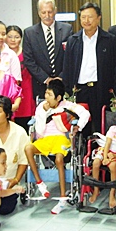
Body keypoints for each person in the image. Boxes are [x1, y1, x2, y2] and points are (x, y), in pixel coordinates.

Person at [24, 80, 90, 214]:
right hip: (46, 138)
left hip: (61, 138)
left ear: (58, 97)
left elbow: (85, 114)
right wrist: (44, 112)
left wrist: (79, 126)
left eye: (49, 94)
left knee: (59, 160)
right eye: (46, 93)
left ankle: (62, 198)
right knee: (28, 148)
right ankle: (39, 183)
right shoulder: (42, 106)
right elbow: (40, 130)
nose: (46, 97)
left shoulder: (69, 105)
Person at [62, 2, 116, 134]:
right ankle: (84, 153)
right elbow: (67, 68)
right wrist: (68, 92)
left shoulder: (109, 40)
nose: (86, 21)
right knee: (81, 126)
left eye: (90, 17)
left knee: (101, 126)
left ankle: (99, 153)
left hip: (101, 89)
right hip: (80, 90)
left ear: (99, 17)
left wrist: (115, 92)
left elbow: (115, 68)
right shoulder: (73, 40)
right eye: (83, 17)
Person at [23, 0, 73, 99]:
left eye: (50, 12)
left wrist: (61, 77)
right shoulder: (29, 33)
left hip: (63, 85)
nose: (47, 15)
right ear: (38, 13)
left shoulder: (66, 29)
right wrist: (46, 79)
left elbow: (71, 56)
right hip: (41, 86)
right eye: (43, 12)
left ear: (55, 11)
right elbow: (29, 60)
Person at [6, 25, 35, 131]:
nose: (13, 40)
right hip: (8, 92)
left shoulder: (27, 53)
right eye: (10, 36)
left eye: (17, 37)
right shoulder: (2, 54)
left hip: (26, 92)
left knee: (25, 124)